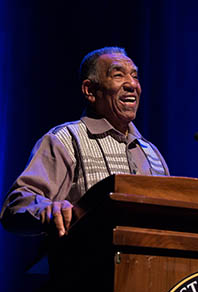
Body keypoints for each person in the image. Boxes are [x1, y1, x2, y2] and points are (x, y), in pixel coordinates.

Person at [0, 46, 169, 237]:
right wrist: (47, 209)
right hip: (85, 264)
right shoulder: (66, 139)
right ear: (89, 90)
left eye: (135, 76)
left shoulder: (150, 152)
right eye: (118, 75)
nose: (132, 84)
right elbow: (17, 204)